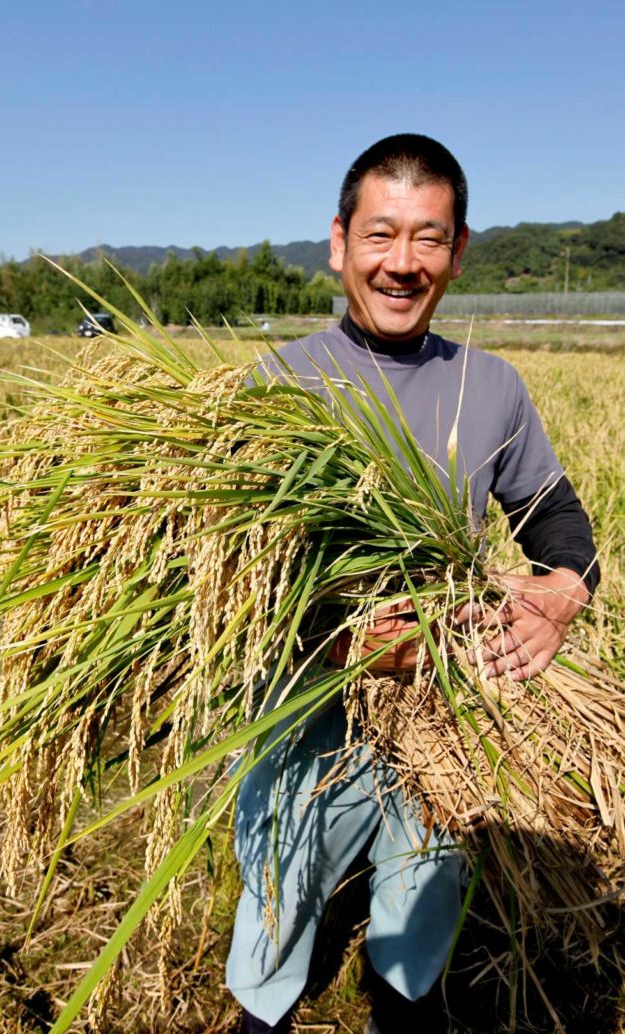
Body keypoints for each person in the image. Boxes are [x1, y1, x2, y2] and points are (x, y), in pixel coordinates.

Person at [226, 134, 599, 1034]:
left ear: (459, 251)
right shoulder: (279, 386)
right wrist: (345, 642)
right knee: (279, 915)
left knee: (418, 925)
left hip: (445, 712)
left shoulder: (492, 387)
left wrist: (562, 592)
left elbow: (556, 518)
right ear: (339, 240)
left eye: (428, 239)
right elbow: (233, 586)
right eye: (381, 234)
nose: (402, 264)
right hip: (309, 711)